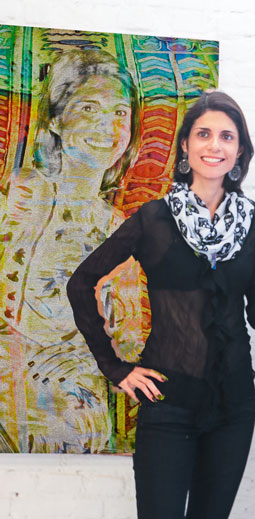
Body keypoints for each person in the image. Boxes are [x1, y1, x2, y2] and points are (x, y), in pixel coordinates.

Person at [67, 90, 255, 518]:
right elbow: (81, 283)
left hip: (233, 404)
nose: (215, 145)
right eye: (204, 134)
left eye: (227, 137)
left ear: (240, 151)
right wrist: (115, 368)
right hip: (168, 401)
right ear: (186, 145)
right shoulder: (153, 218)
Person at [0, 49, 142, 453]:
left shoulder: (120, 230)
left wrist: (88, 354)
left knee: (75, 422)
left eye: (119, 112)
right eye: (89, 107)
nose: (107, 126)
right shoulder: (13, 199)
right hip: (8, 384)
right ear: (56, 119)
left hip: (75, 401)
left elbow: (129, 340)